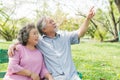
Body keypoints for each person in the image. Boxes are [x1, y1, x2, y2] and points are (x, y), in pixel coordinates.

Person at [8, 7, 95, 80]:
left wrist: (87, 19)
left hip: (72, 76)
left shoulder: (65, 36)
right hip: (55, 77)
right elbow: (27, 40)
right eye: (50, 22)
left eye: (53, 21)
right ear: (44, 29)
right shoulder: (39, 42)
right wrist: (13, 45)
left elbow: (80, 33)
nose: (54, 22)